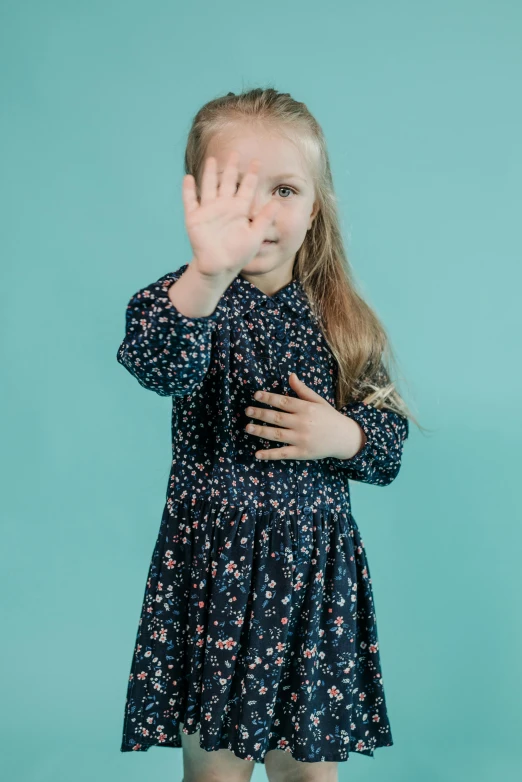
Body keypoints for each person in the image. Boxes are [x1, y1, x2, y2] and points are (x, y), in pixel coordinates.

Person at [116, 87, 417, 782]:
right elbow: (156, 361)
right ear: (197, 200)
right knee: (216, 769)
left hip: (312, 582)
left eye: (284, 189)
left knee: (307, 771)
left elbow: (388, 445)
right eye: (237, 190)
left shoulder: (345, 321)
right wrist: (207, 272)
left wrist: (342, 434)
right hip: (215, 578)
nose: (261, 212)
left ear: (316, 207)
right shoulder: (191, 302)